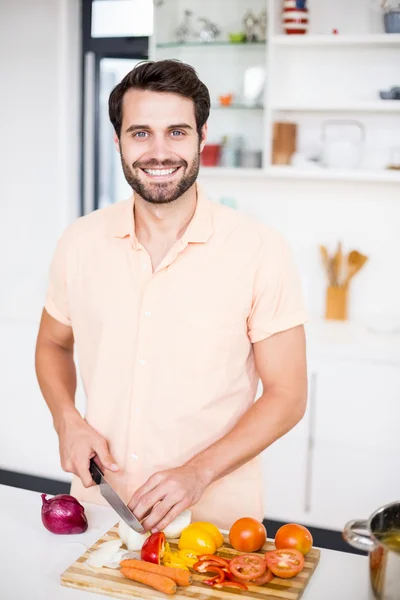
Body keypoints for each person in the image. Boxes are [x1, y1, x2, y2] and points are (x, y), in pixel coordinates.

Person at [35, 59, 308, 533]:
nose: (159, 152)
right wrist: (67, 419)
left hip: (217, 527)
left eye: (176, 132)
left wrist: (198, 472)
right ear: (118, 140)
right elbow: (53, 344)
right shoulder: (78, 243)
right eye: (140, 133)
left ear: (203, 136)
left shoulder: (260, 249)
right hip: (101, 511)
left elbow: (287, 394)